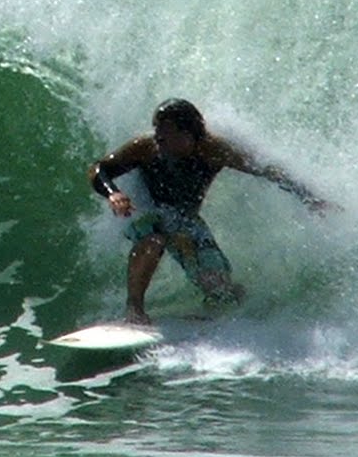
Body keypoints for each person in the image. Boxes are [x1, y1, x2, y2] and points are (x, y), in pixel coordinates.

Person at [89, 99, 330, 325]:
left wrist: (309, 197)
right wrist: (113, 193)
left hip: (183, 218)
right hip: (144, 209)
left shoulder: (215, 151)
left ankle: (234, 309)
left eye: (165, 130)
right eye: (156, 128)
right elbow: (100, 169)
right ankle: (134, 309)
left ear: (188, 133)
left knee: (220, 288)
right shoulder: (145, 148)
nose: (158, 136)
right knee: (154, 239)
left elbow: (266, 170)